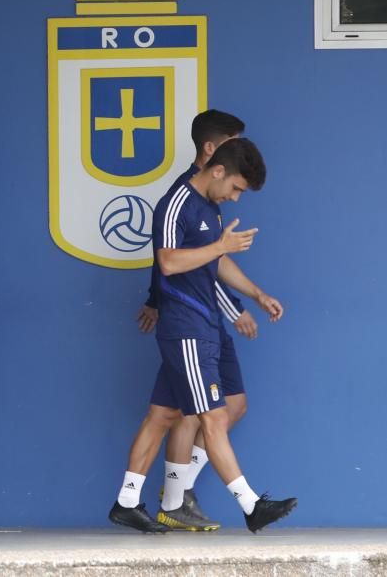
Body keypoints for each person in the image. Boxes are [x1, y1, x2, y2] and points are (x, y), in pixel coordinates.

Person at [109, 138, 297, 534]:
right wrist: (218, 245)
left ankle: (127, 502)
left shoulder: (210, 208)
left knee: (161, 415)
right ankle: (251, 506)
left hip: (203, 327)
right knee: (212, 416)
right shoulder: (175, 202)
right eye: (236, 188)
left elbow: (219, 261)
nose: (235, 197)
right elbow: (168, 262)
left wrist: (257, 294)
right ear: (217, 170)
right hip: (186, 328)